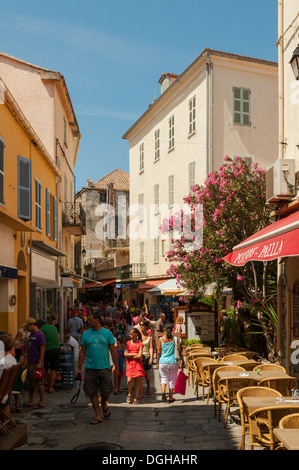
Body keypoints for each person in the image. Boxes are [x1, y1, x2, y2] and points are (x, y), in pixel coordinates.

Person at [76, 311, 119, 425]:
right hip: (90, 368)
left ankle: (104, 404)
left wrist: (116, 366)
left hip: (104, 367)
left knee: (106, 391)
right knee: (92, 392)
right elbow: (82, 352)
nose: (88, 322)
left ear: (97, 320)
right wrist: (79, 368)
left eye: (90, 320)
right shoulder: (86, 334)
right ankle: (98, 415)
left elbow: (113, 351)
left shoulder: (107, 333)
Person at [23, 318, 46, 409]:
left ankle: (41, 401)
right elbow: (27, 346)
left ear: (31, 324)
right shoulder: (31, 334)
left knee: (39, 382)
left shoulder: (40, 335)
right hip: (30, 361)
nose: (26, 327)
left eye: (27, 326)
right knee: (30, 383)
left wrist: (39, 362)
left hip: (36, 362)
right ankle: (30, 400)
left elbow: (42, 349)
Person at [156, 323, 180, 403]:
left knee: (163, 378)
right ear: (173, 330)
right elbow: (179, 350)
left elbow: (158, 352)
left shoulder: (161, 339)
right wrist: (182, 361)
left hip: (163, 361)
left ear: (165, 329)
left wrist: (157, 361)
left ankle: (163, 392)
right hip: (173, 361)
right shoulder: (175, 339)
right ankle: (170, 397)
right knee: (172, 379)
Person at [36, 319, 60, 393]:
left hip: (47, 350)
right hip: (56, 349)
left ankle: (46, 383)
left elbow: (39, 342)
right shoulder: (54, 327)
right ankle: (51, 387)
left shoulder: (41, 330)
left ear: (39, 325)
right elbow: (58, 338)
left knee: (45, 368)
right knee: (54, 369)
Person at [124, 328, 145, 405]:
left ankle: (136, 398)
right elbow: (125, 354)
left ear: (136, 334)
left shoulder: (140, 344)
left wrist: (130, 355)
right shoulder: (128, 343)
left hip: (138, 364)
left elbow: (139, 356)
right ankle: (130, 393)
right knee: (129, 380)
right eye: (130, 334)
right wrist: (134, 354)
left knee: (137, 382)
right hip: (130, 364)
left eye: (132, 334)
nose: (130, 335)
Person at [139, 320, 153, 398]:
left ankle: (148, 387)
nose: (141, 326)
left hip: (146, 357)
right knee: (139, 376)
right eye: (140, 325)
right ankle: (141, 392)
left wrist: (151, 357)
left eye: (143, 325)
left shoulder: (149, 336)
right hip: (139, 357)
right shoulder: (138, 335)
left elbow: (151, 347)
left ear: (146, 326)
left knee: (147, 376)